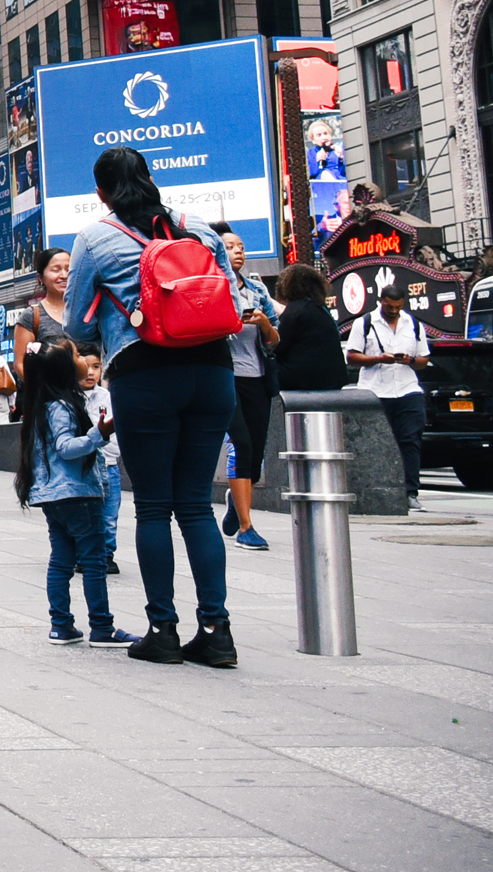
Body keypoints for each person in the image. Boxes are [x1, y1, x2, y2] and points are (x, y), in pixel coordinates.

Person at [63, 146, 241, 668]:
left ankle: (163, 629)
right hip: (214, 371)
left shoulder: (96, 238)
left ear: (102, 191)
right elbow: (229, 294)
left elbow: (76, 326)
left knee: (154, 507)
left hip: (145, 374)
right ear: (149, 177)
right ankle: (217, 631)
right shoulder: (199, 228)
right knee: (195, 506)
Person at [16, 346, 133, 645]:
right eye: (77, 356)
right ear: (65, 369)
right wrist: (99, 433)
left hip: (53, 497)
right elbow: (66, 448)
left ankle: (61, 625)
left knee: (61, 560)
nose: (84, 361)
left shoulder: (42, 406)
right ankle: (102, 627)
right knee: (94, 561)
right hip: (77, 494)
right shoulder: (62, 406)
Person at [212, 224, 281, 551]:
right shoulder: (211, 288)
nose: (237, 251)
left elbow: (275, 340)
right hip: (225, 378)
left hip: (258, 379)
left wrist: (265, 323)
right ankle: (246, 526)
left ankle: (235, 500)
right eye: (229, 247)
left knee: (255, 454)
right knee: (241, 444)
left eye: (240, 246)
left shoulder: (258, 290)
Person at [345, 283, 431, 511]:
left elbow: (423, 360)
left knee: (410, 440)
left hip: (407, 388)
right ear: (381, 301)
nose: (393, 311)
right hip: (376, 391)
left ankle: (410, 492)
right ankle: (376, 490)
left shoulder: (412, 324)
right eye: (389, 306)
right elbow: (351, 356)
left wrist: (409, 361)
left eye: (397, 307)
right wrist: (378, 359)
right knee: (376, 443)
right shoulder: (364, 323)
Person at [80, 350, 123, 572]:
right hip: (83, 466)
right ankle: (84, 554)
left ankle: (107, 554)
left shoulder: (107, 396)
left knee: (110, 514)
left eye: (96, 366)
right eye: (85, 366)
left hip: (109, 464)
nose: (90, 372)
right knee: (85, 514)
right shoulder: (69, 397)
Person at [272, 264, 346, 391]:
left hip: (301, 379)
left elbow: (279, 345)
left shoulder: (295, 310)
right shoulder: (320, 309)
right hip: (333, 378)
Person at [14, 248, 75, 363]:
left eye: (69, 269)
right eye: (56, 270)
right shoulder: (31, 316)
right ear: (41, 277)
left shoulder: (86, 311)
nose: (64, 275)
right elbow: (20, 363)